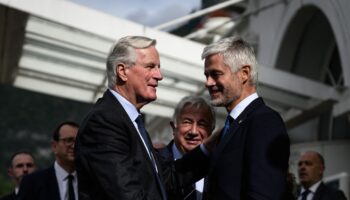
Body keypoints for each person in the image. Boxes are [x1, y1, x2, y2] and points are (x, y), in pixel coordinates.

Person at [75, 36, 209, 200]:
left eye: (158, 67)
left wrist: (210, 147)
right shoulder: (104, 122)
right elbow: (128, 195)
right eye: (150, 67)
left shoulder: (131, 122)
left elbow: (166, 177)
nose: (159, 75)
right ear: (122, 71)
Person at [201, 36, 290, 199]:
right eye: (207, 75)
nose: (208, 82)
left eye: (216, 74)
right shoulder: (230, 128)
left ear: (244, 73)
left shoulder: (264, 122)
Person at [158, 95, 216, 200]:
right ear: (173, 127)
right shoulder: (155, 163)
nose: (193, 131)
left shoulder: (219, 167)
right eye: (187, 122)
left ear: (211, 131)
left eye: (202, 124)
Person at [18, 121, 79, 200]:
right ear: (54, 146)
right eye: (69, 140)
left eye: (78, 141)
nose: (74, 146)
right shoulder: (32, 183)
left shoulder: (92, 181)